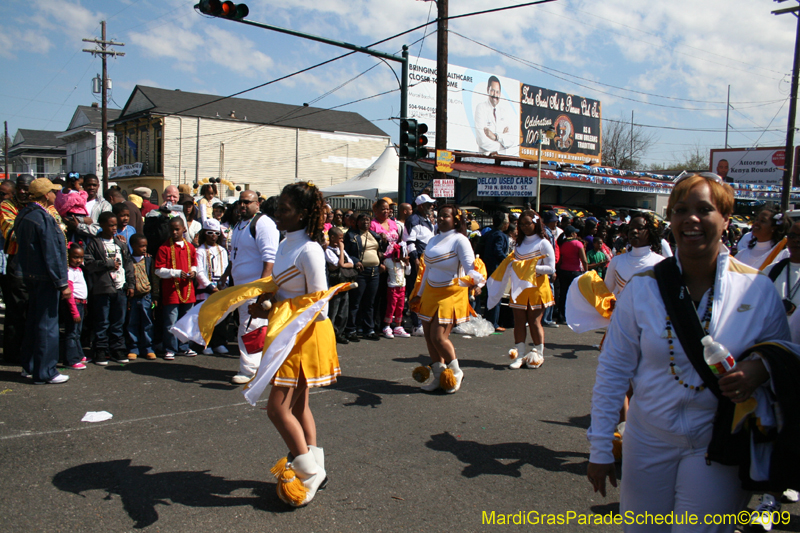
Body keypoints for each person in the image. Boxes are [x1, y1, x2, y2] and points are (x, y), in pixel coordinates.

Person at [587, 173, 791, 532]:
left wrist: (760, 368)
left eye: (704, 209)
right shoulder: (643, 289)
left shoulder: (757, 289)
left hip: (718, 444)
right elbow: (614, 369)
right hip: (647, 441)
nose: (691, 219)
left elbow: (783, 356)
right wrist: (601, 446)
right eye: (680, 210)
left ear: (726, 219)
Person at [257, 182, 339, 506]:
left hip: (303, 337)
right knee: (298, 406)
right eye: (278, 207)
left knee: (277, 410)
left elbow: (321, 307)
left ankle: (308, 471)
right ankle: (316, 467)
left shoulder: (310, 250)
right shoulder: (283, 243)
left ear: (303, 214)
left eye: (285, 209)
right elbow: (284, 291)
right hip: (287, 333)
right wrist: (267, 301)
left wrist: (275, 309)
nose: (278, 213)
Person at [410, 205, 483, 393]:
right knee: (429, 337)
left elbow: (471, 269)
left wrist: (476, 283)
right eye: (439, 216)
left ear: (456, 220)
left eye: (446, 216)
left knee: (438, 337)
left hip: (451, 293)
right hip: (430, 293)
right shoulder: (433, 240)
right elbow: (427, 270)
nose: (441, 219)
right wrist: (419, 294)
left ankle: (456, 372)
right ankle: (439, 376)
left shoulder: (460, 240)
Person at [15, 178, 71, 384]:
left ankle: (29, 366)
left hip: (29, 274)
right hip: (46, 277)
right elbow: (51, 252)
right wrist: (62, 282)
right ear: (46, 195)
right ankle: (46, 371)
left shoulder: (24, 214)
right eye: (53, 192)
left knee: (34, 321)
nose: (56, 195)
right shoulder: (43, 217)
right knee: (47, 324)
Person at [487, 210, 555, 369]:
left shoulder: (543, 243)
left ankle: (538, 354)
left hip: (537, 287)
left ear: (536, 223)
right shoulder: (519, 243)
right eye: (521, 224)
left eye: (527, 223)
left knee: (534, 322)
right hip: (519, 288)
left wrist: (529, 268)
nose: (524, 227)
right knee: (518, 322)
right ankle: (520, 355)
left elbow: (551, 268)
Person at [229, 190, 279, 384]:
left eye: (247, 202)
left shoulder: (263, 223)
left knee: (251, 327)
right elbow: (235, 255)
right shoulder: (239, 224)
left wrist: (262, 289)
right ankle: (261, 367)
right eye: (240, 202)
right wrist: (226, 276)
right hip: (239, 287)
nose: (242, 205)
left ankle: (249, 370)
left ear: (257, 204)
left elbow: (270, 259)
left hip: (254, 288)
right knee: (248, 326)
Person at [84, 212, 135, 366]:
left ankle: (117, 348)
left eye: (115, 225)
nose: (114, 228)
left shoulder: (120, 244)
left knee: (118, 321)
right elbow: (88, 264)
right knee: (102, 321)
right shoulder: (94, 244)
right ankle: (100, 349)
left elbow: (128, 265)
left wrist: (131, 284)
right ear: (102, 225)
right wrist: (107, 264)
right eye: (111, 225)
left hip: (120, 287)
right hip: (103, 288)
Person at [0, 174, 34, 365]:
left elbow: (58, 227)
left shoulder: (38, 205)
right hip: (17, 261)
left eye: (26, 188)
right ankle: (13, 355)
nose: (22, 192)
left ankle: (29, 351)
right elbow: (12, 233)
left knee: (32, 310)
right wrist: (38, 231)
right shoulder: (7, 206)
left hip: (36, 263)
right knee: (16, 310)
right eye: (19, 188)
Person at [155, 217, 198, 360]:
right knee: (171, 322)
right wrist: (176, 273)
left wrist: (194, 272)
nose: (174, 232)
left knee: (186, 320)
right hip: (171, 291)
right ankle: (170, 348)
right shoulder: (164, 248)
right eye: (172, 229)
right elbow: (158, 270)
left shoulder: (190, 247)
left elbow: (194, 263)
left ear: (184, 229)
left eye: (177, 229)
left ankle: (184, 347)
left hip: (188, 290)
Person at [344, 213, 385, 341]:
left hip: (374, 272)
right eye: (362, 220)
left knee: (370, 302)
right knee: (356, 302)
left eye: (368, 220)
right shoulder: (352, 235)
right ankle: (351, 329)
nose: (366, 222)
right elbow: (346, 252)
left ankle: (369, 329)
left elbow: (380, 250)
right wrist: (356, 261)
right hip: (360, 272)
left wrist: (381, 262)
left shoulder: (374, 235)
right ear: (357, 222)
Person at [603, 212, 664, 296]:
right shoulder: (617, 261)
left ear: (650, 232)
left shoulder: (660, 263)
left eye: (640, 228)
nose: (634, 231)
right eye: (631, 228)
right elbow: (606, 292)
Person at [195, 218, 230, 355]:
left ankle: (219, 342)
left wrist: (224, 285)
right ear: (204, 233)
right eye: (210, 233)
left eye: (216, 233)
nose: (213, 236)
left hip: (220, 288)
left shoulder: (222, 250)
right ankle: (205, 344)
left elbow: (226, 269)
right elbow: (199, 271)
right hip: (206, 289)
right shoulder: (200, 251)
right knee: (206, 317)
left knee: (220, 318)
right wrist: (210, 287)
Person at [405, 194, 436, 336]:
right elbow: (410, 242)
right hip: (419, 260)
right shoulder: (414, 219)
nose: (432, 206)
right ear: (421, 206)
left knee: (424, 291)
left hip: (428, 259)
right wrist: (416, 259)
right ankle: (416, 324)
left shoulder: (427, 220)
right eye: (429, 204)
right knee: (416, 290)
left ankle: (423, 321)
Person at [126, 234, 158, 361]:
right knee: (132, 323)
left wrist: (155, 296)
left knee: (148, 323)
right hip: (133, 297)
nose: (144, 248)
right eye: (141, 246)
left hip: (146, 296)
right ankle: (133, 348)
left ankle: (148, 348)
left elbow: (154, 278)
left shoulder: (149, 260)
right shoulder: (128, 260)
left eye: (145, 246)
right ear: (133, 246)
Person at [734, 206, 790, 270]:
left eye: (762, 221)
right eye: (757, 219)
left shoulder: (783, 255)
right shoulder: (742, 254)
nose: (756, 223)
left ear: (773, 228)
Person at [61, 243, 88, 370]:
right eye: (75, 257)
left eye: (81, 257)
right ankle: (71, 359)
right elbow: (69, 294)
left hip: (81, 304)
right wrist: (74, 312)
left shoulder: (79, 270)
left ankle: (79, 355)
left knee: (77, 332)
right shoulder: (69, 271)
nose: (79, 260)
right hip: (74, 305)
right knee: (71, 332)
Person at [325, 227, 353, 344]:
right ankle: (330, 334)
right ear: (332, 238)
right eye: (340, 238)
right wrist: (341, 251)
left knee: (343, 311)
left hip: (344, 283)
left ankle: (339, 333)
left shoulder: (341, 250)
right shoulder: (328, 251)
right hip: (335, 284)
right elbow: (339, 263)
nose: (342, 241)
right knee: (334, 311)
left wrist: (342, 264)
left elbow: (351, 263)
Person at [483, 212, 510, 332]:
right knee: (496, 296)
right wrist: (507, 260)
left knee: (490, 295)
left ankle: (488, 320)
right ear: (504, 224)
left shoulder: (488, 233)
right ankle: (493, 323)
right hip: (496, 269)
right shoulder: (500, 235)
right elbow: (498, 250)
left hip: (487, 267)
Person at [474, 76, 515, 155]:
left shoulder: (504, 112)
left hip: (501, 159)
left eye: (497, 92)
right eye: (492, 91)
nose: (495, 95)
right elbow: (482, 140)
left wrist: (496, 137)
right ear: (488, 90)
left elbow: (511, 139)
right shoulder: (481, 108)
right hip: (485, 159)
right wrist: (502, 145)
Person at [555, 226, 587, 323]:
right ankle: (574, 316)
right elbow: (584, 260)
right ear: (572, 234)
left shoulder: (562, 244)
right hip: (575, 272)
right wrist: (586, 271)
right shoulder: (578, 243)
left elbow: (560, 259)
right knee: (575, 295)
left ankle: (561, 316)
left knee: (563, 294)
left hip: (563, 271)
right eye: (575, 233)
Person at [381, 241, 410, 338]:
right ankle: (387, 326)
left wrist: (407, 264)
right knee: (391, 307)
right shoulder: (389, 261)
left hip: (402, 288)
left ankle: (398, 327)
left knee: (400, 307)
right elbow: (383, 263)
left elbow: (408, 273)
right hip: (393, 288)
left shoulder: (402, 263)